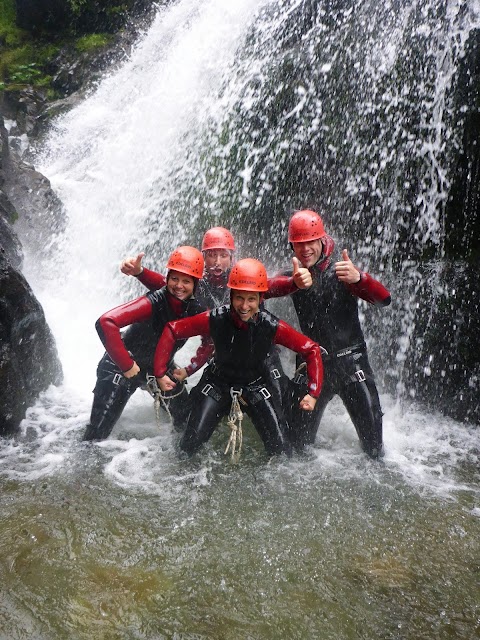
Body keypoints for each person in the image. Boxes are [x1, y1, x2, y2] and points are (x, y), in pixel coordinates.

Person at [154, 258, 324, 457]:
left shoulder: (271, 326)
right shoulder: (216, 318)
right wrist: (159, 371)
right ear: (231, 295)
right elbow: (172, 330)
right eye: (239, 298)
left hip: (256, 385)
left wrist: (313, 393)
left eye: (251, 299)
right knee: (188, 448)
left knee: (282, 453)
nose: (244, 306)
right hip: (218, 383)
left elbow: (311, 349)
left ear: (261, 299)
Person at [120, 226, 312, 388]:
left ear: (231, 257)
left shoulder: (244, 276)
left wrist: (294, 284)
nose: (217, 262)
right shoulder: (197, 284)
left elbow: (270, 286)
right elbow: (169, 284)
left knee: (282, 404)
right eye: (211, 255)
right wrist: (140, 272)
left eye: (223, 255)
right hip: (226, 359)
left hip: (262, 355)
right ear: (203, 257)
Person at [284, 209, 391, 459]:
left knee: (374, 450)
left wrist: (360, 279)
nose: (305, 249)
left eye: (311, 242)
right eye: (299, 244)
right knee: (296, 450)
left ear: (322, 241)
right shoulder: (293, 275)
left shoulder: (343, 272)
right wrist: (292, 284)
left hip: (351, 363)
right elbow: (261, 292)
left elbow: (384, 299)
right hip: (313, 365)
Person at [83, 246, 209, 441]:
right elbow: (106, 322)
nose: (179, 285)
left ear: (196, 284)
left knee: (187, 424)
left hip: (159, 370)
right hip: (120, 365)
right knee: (96, 436)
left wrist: (189, 369)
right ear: (168, 278)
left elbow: (210, 341)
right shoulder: (153, 301)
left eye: (186, 281)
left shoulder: (196, 308)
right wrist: (126, 364)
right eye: (174, 278)